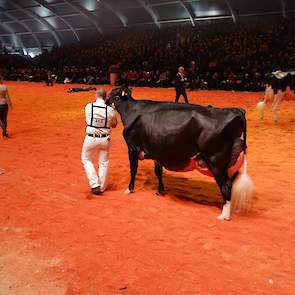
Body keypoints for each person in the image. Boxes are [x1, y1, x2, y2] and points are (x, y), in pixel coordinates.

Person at [81, 89, 117, 195]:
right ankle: (101, 187)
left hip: (91, 137)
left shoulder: (89, 107)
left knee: (86, 159)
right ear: (106, 97)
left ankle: (94, 184)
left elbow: (88, 119)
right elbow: (114, 125)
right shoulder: (110, 110)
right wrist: (112, 110)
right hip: (105, 138)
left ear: (96, 96)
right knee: (104, 162)